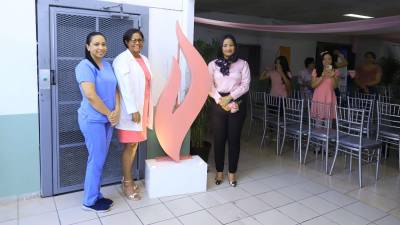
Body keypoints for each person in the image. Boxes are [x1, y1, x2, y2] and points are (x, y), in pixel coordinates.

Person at [76, 32, 120, 212]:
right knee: (96, 159)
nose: (100, 47)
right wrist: (110, 114)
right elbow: (90, 95)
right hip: (93, 119)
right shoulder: (84, 66)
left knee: (100, 158)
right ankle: (89, 201)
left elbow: (116, 89)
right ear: (88, 47)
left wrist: (117, 109)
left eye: (103, 44)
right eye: (96, 44)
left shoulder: (107, 65)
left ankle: (95, 194)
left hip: (107, 119)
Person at [113, 28, 153, 200]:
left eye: (140, 40)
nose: (138, 43)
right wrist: (132, 109)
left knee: (135, 145)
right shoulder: (122, 60)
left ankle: (126, 179)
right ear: (126, 42)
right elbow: (124, 86)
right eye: (134, 40)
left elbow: (147, 85)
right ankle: (128, 182)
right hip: (132, 112)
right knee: (130, 146)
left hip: (142, 110)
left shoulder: (144, 59)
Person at [209, 34, 250, 187]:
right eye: (225, 45)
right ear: (221, 47)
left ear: (235, 46)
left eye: (231, 45)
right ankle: (219, 172)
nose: (228, 48)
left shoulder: (243, 64)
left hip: (237, 102)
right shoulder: (213, 64)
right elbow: (208, 85)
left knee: (234, 140)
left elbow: (245, 85)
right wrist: (221, 100)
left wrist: (230, 97)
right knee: (219, 140)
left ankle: (232, 172)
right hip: (218, 102)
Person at [311, 51, 340, 119]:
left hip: (329, 96)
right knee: (318, 121)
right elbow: (313, 85)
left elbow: (335, 86)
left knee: (328, 121)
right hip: (318, 96)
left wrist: (332, 76)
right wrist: (322, 76)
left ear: (332, 60)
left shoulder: (335, 71)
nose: (327, 61)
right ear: (321, 60)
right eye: (324, 59)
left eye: (329, 59)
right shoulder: (316, 70)